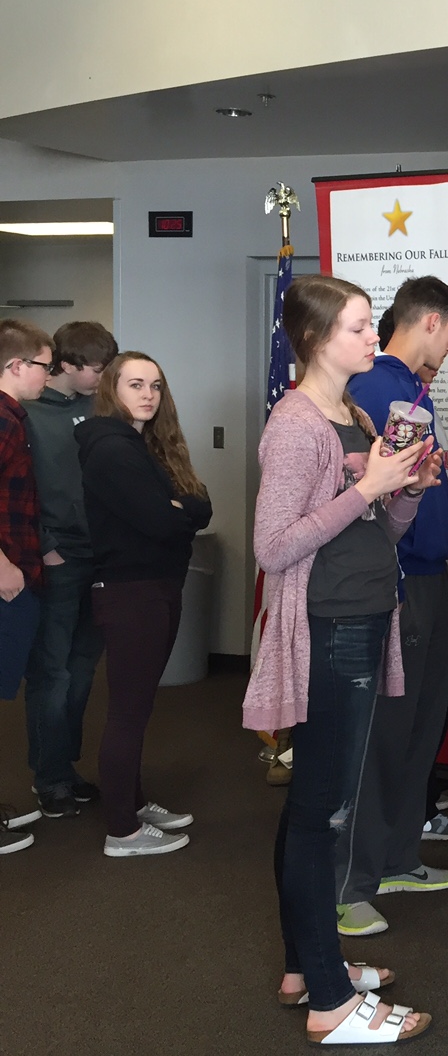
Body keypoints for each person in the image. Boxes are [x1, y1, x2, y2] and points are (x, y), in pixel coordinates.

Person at [244, 274, 439, 1045]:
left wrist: (405, 489)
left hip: (360, 613)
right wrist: (368, 490)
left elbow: (374, 536)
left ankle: (306, 967)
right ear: (320, 338)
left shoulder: (352, 412)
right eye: (360, 327)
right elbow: (273, 545)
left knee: (318, 808)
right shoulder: (297, 424)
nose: (373, 337)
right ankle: (328, 999)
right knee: (321, 811)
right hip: (327, 627)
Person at [338, 277, 448, 937]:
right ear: (428, 321)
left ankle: (395, 856)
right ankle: (351, 880)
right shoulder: (374, 387)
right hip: (398, 581)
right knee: (383, 736)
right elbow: (370, 499)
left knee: (418, 730)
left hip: (431, 578)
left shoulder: (411, 390)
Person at [76, 352, 213, 856]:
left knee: (138, 707)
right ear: (112, 388)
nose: (148, 395)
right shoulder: (111, 448)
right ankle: (122, 831)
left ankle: (129, 802)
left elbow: (200, 504)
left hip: (155, 585)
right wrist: (180, 512)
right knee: (128, 713)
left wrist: (183, 510)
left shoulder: (144, 445)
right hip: (131, 590)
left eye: (155, 385)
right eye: (135, 384)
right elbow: (162, 521)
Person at [23, 321, 116, 818]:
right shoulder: (28, 414)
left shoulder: (101, 408)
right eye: (97, 371)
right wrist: (47, 546)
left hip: (102, 556)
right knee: (52, 673)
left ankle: (66, 766)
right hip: (59, 559)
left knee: (82, 670)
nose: (104, 380)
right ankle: (49, 777)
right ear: (68, 365)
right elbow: (19, 490)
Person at [0, 319, 53, 855]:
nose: (49, 373)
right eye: (43, 363)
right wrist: (5, 568)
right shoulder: (2, 416)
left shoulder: (15, 416)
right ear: (17, 366)